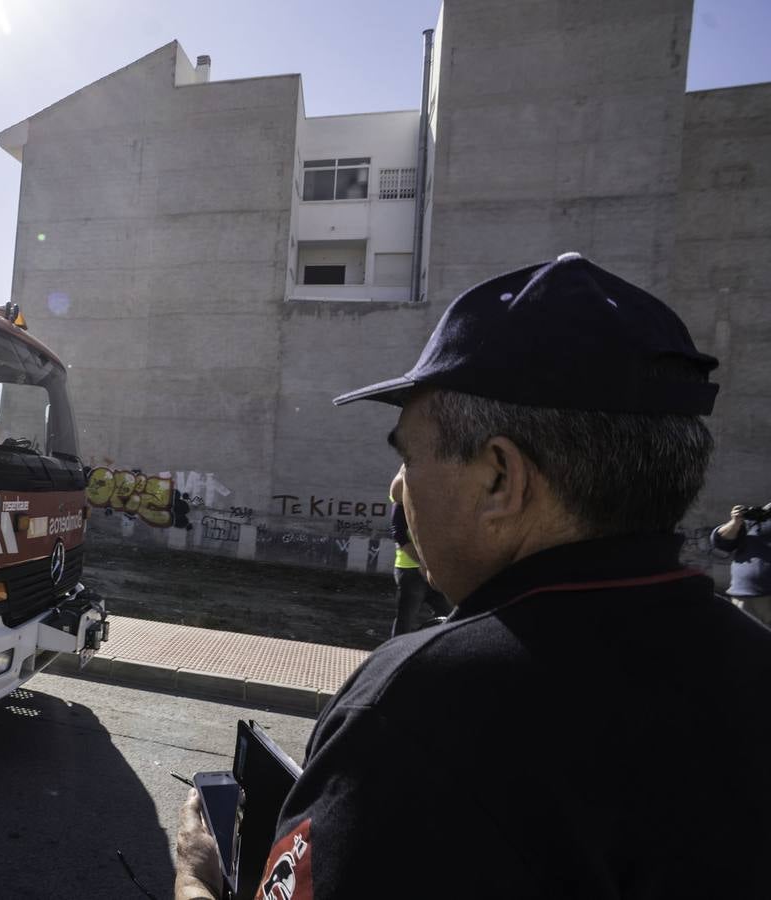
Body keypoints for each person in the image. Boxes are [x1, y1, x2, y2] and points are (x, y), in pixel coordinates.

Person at [173, 253, 771, 898]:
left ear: (499, 478)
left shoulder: (423, 700)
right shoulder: (752, 659)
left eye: (409, 457)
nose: (397, 487)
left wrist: (197, 878)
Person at [389, 482, 451, 637]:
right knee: (405, 621)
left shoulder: (437, 503)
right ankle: (398, 656)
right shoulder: (403, 500)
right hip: (410, 570)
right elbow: (400, 535)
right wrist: (423, 563)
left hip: (434, 571)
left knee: (450, 616)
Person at [711, 501, 771, 626]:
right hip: (745, 595)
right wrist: (736, 521)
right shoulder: (759, 516)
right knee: (745, 642)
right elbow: (721, 542)